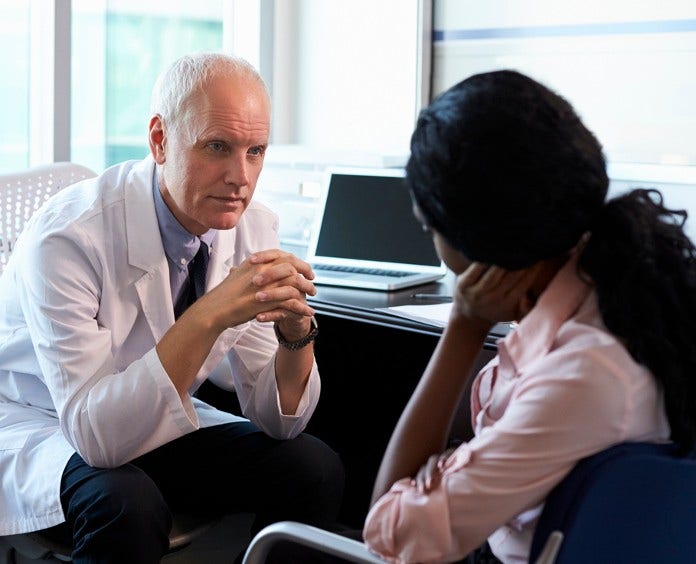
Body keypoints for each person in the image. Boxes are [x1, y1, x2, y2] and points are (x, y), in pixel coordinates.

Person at [265, 69, 696, 563]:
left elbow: (390, 536)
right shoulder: (636, 301)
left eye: (429, 227)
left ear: (481, 243)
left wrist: (465, 327)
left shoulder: (582, 374)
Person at [0, 52, 344, 563]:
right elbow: (96, 438)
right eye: (218, 147)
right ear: (160, 140)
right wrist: (210, 314)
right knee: (126, 505)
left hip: (148, 415)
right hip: (44, 420)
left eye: (255, 151)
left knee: (312, 466)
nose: (241, 177)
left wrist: (296, 335)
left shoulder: (251, 228)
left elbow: (280, 422)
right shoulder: (69, 235)